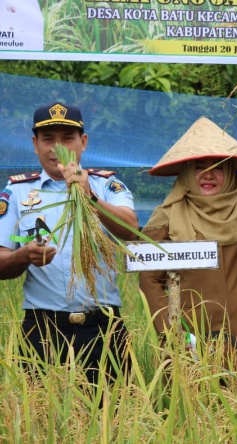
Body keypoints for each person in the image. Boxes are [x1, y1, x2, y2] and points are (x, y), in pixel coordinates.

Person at [0, 102, 138, 384]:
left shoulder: (106, 185)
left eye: (67, 138)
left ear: (83, 142)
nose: (56, 147)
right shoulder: (17, 193)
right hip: (42, 330)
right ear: (35, 144)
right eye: (48, 139)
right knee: (38, 421)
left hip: (103, 328)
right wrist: (24, 254)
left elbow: (131, 229)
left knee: (114, 420)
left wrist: (88, 195)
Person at [138, 116, 237, 365]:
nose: (208, 175)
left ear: (230, 172)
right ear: (187, 172)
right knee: (191, 399)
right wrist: (171, 330)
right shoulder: (166, 217)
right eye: (199, 166)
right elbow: (149, 279)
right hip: (191, 338)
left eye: (219, 167)